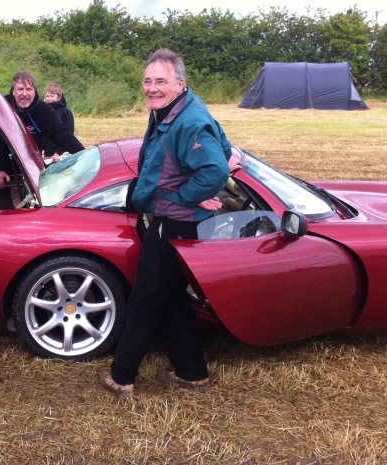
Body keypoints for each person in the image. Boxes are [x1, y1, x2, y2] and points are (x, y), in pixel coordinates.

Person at [98, 48, 238, 397]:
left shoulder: (189, 121)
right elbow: (226, 150)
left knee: (145, 298)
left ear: (179, 82)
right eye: (147, 81)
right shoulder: (175, 110)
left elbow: (216, 168)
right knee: (172, 295)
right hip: (174, 221)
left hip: (172, 223)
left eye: (160, 81)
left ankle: (122, 375)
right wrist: (192, 189)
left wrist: (185, 194)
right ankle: (192, 372)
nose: (152, 88)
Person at [0, 71, 85, 188]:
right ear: (13, 91)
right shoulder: (1, 108)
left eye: (29, 89)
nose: (24, 93)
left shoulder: (43, 110)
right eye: (20, 89)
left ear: (34, 92)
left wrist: (83, 154)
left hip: (31, 167)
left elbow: (62, 134)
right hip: (6, 169)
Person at [41, 82, 75, 158]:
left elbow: (69, 135)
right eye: (47, 96)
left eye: (52, 96)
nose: (49, 98)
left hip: (62, 154)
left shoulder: (66, 113)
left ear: (58, 97)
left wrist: (58, 153)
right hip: (48, 155)